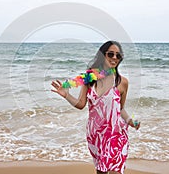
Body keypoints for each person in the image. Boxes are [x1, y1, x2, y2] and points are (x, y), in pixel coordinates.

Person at [51, 40, 140, 174]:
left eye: (118, 55)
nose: (114, 58)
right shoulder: (88, 79)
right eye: (111, 54)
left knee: (116, 171)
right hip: (96, 135)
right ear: (102, 55)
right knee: (101, 172)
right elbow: (81, 104)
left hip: (116, 135)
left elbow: (121, 109)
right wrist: (66, 95)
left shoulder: (122, 82)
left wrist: (131, 121)